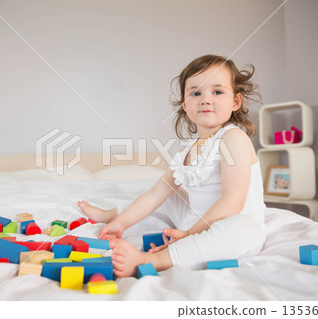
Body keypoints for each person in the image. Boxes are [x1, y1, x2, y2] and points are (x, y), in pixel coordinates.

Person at [77, 54, 266, 277]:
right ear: (186, 105)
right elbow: (155, 195)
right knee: (162, 197)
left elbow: (233, 201)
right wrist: (122, 223)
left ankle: (152, 259)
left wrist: (188, 235)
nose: (206, 99)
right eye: (196, 93)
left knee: (243, 228)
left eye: (217, 91)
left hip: (231, 223)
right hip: (194, 220)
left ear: (236, 101)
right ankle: (113, 215)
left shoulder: (233, 138)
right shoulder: (185, 150)